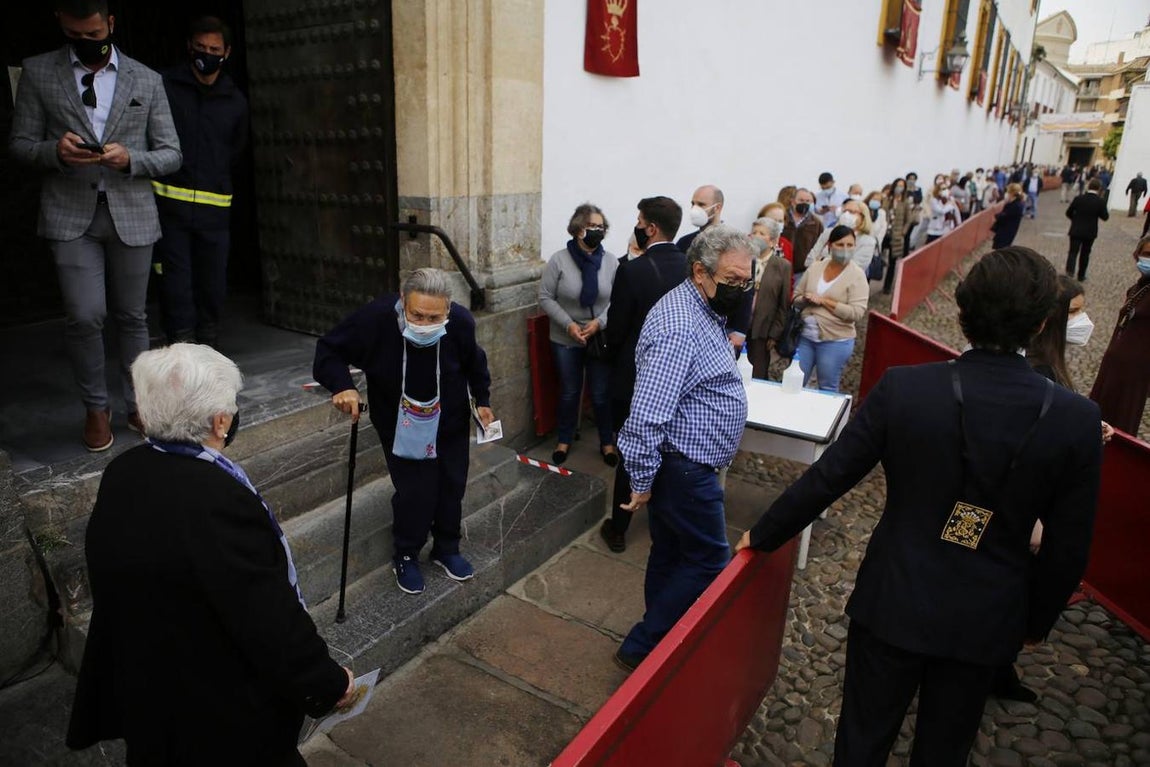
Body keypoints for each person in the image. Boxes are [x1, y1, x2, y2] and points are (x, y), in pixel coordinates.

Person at [737, 246, 1103, 765]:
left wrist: (763, 534)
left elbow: (831, 475)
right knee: (944, 750)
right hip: (987, 612)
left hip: (894, 597)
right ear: (1044, 322)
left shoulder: (907, 389)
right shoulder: (1077, 419)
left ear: (963, 312)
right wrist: (1033, 622)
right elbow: (1070, 546)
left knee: (862, 741)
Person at [67, 343, 356, 765]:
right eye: (233, 407)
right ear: (221, 421)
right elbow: (265, 616)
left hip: (151, 694)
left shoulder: (123, 471)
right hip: (217, 717)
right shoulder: (217, 499)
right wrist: (328, 683)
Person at [8, 0, 182, 451]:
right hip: (69, 213)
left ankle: (141, 405)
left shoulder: (147, 79)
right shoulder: (38, 71)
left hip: (132, 212)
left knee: (132, 316)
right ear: (60, 25)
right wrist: (54, 151)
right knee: (85, 316)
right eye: (74, 36)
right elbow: (20, 145)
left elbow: (171, 154)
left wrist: (131, 159)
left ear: (110, 24)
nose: (86, 44)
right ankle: (95, 407)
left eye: (93, 35)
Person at [613, 225, 752, 671]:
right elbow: (648, 411)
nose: (740, 289)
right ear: (699, 272)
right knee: (711, 560)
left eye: (745, 281)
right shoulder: (679, 324)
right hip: (685, 468)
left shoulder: (703, 307)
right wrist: (640, 478)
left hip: (685, 464)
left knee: (670, 552)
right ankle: (642, 644)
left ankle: (658, 639)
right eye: (732, 280)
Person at [313, 268, 495, 595]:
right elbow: (329, 350)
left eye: (434, 317)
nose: (424, 324)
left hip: (449, 420)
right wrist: (344, 387)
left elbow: (475, 363)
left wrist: (483, 399)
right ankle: (407, 553)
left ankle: (446, 547)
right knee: (416, 492)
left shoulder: (461, 323)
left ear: (448, 310)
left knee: (452, 484)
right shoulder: (375, 319)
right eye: (417, 315)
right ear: (402, 302)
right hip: (401, 422)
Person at [154, 15, 250, 347]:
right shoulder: (164, 87)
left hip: (214, 210)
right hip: (170, 209)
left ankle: (208, 344)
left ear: (226, 53)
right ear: (189, 47)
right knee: (175, 282)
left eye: (214, 49)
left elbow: (235, 151)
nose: (206, 54)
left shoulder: (235, 101)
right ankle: (181, 346)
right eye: (200, 47)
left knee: (212, 283)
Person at [600, 197, 686, 553]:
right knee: (671, 448)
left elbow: (617, 328)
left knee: (632, 449)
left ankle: (619, 527)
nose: (636, 225)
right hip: (679, 374)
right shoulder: (691, 266)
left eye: (639, 220)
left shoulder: (633, 271)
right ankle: (667, 524)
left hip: (636, 375)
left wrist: (607, 355)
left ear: (650, 228)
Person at [538, 203, 618, 466]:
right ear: (577, 228)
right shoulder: (559, 260)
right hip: (565, 337)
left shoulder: (610, 262)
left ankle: (607, 442)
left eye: (600, 226)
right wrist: (569, 325)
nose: (596, 230)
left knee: (600, 393)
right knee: (570, 391)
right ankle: (564, 439)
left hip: (598, 337)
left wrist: (599, 323)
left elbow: (617, 300)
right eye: (590, 226)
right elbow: (546, 297)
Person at [793, 225, 869, 392]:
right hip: (806, 336)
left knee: (827, 385)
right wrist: (805, 299)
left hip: (835, 340)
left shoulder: (857, 275)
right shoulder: (815, 267)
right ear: (829, 246)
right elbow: (796, 297)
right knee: (796, 380)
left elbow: (856, 313)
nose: (845, 249)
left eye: (850, 245)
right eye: (840, 245)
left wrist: (825, 301)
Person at [1090, 235, 1150, 435]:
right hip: (1113, 364)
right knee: (1097, 414)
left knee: (1121, 423)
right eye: (1147, 254)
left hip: (1136, 372)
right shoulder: (1138, 287)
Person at [746, 217, 792, 379]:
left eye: (762, 233)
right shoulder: (745, 260)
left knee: (758, 370)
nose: (756, 236)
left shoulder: (782, 266)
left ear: (772, 241)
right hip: (742, 324)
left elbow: (783, 304)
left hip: (763, 328)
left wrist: (774, 334)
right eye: (754, 232)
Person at [1062, 178, 1108, 282]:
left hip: (1076, 229)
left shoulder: (1079, 198)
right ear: (1099, 188)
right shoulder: (1100, 201)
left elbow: (1068, 212)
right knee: (1085, 253)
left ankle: (1070, 272)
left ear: (1089, 186)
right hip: (1090, 231)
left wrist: (1075, 220)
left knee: (1073, 252)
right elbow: (1105, 217)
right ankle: (1081, 275)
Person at [783, 187, 824, 285]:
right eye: (801, 200)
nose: (804, 203)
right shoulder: (782, 217)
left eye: (808, 201)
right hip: (781, 267)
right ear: (793, 201)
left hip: (802, 272)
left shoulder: (816, 223)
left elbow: (821, 247)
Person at [883, 177, 912, 294]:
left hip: (896, 236)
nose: (899, 188)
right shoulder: (887, 200)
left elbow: (908, 219)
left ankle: (887, 286)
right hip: (885, 233)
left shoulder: (905, 203)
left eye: (902, 186)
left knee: (892, 262)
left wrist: (903, 232)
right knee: (879, 257)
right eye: (898, 185)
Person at [677, 184, 723, 254]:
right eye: (693, 204)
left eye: (701, 204)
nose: (694, 209)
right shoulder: (684, 243)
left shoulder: (732, 241)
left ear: (717, 208)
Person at [755, 201, 794, 266]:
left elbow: (789, 272)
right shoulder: (750, 242)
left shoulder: (786, 245)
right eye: (773, 220)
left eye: (780, 221)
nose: (777, 224)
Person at [925, 175, 960, 244]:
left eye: (946, 188)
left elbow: (955, 212)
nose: (945, 190)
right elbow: (941, 211)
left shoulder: (949, 199)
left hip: (946, 227)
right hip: (935, 229)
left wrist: (958, 223)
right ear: (938, 191)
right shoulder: (934, 200)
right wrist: (950, 204)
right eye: (943, 189)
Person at [992, 182, 1025, 249]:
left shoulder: (1016, 205)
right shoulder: (1014, 203)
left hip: (1006, 231)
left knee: (1001, 248)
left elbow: (1004, 215)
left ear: (1012, 193)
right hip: (1005, 230)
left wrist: (997, 216)